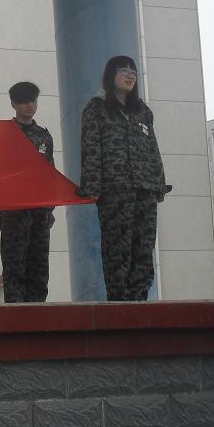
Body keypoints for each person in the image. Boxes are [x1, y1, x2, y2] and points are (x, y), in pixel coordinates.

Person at [78, 55, 171, 301]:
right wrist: (92, 186)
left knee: (144, 247)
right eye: (124, 71)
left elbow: (153, 149)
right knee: (117, 248)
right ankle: (120, 301)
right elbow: (90, 148)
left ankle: (139, 298)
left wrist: (159, 184)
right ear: (111, 75)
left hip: (145, 189)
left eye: (133, 72)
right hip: (114, 190)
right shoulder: (96, 108)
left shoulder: (142, 111)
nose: (130, 76)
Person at [0, 82, 55, 303]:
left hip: (40, 211)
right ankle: (16, 316)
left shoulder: (44, 136)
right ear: (13, 104)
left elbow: (50, 173)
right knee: (15, 267)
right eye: (23, 101)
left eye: (33, 100)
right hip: (14, 212)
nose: (29, 105)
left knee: (39, 268)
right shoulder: (5, 135)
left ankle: (38, 315)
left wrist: (50, 209)